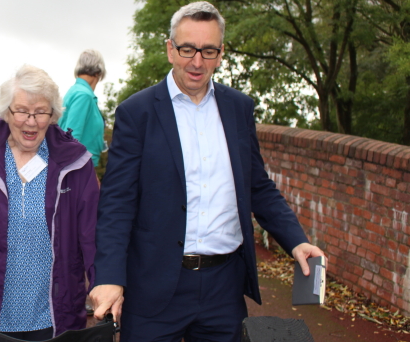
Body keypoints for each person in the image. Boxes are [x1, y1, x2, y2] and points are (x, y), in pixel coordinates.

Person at [89, 2, 325, 341]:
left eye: (208, 51)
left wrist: (297, 241)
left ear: (221, 53)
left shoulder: (239, 109)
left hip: (223, 289)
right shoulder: (136, 113)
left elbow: (257, 185)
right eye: (187, 49)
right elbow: (117, 203)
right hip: (154, 287)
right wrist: (109, 275)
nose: (197, 62)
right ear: (170, 49)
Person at [0, 65, 99, 341]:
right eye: (22, 111)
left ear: (53, 115)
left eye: (41, 112)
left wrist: (103, 281)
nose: (31, 121)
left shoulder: (75, 162)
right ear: (6, 111)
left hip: (53, 313)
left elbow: (93, 233)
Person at [58, 49, 106, 168]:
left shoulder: (75, 91)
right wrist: (88, 176)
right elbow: (73, 137)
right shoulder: (83, 95)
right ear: (98, 72)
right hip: (80, 167)